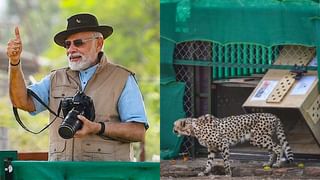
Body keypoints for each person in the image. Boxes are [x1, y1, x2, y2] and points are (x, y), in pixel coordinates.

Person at [6, 13, 148, 161]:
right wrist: (14, 62)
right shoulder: (55, 78)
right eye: (68, 44)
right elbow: (21, 101)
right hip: (61, 174)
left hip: (106, 175)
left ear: (99, 44)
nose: (71, 50)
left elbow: (138, 131)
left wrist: (98, 127)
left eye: (78, 43)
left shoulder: (122, 78)